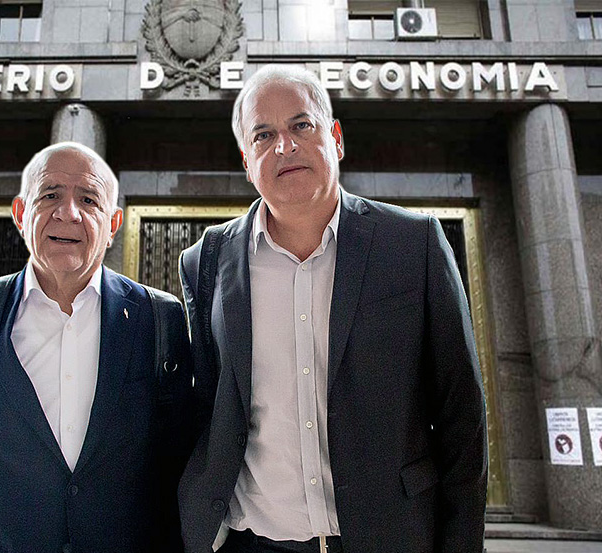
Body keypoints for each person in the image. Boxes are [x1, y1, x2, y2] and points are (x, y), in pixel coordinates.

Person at [178, 65, 488, 553]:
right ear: (247, 161)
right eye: (263, 135)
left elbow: (461, 414)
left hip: (389, 539)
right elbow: (205, 407)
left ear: (336, 138)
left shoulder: (413, 244)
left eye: (301, 125)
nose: (284, 146)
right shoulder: (206, 260)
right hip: (254, 541)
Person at [0, 142, 192, 553]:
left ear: (113, 223)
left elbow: (178, 463)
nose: (69, 213)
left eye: (89, 200)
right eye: (50, 195)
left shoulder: (158, 319)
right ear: (20, 213)